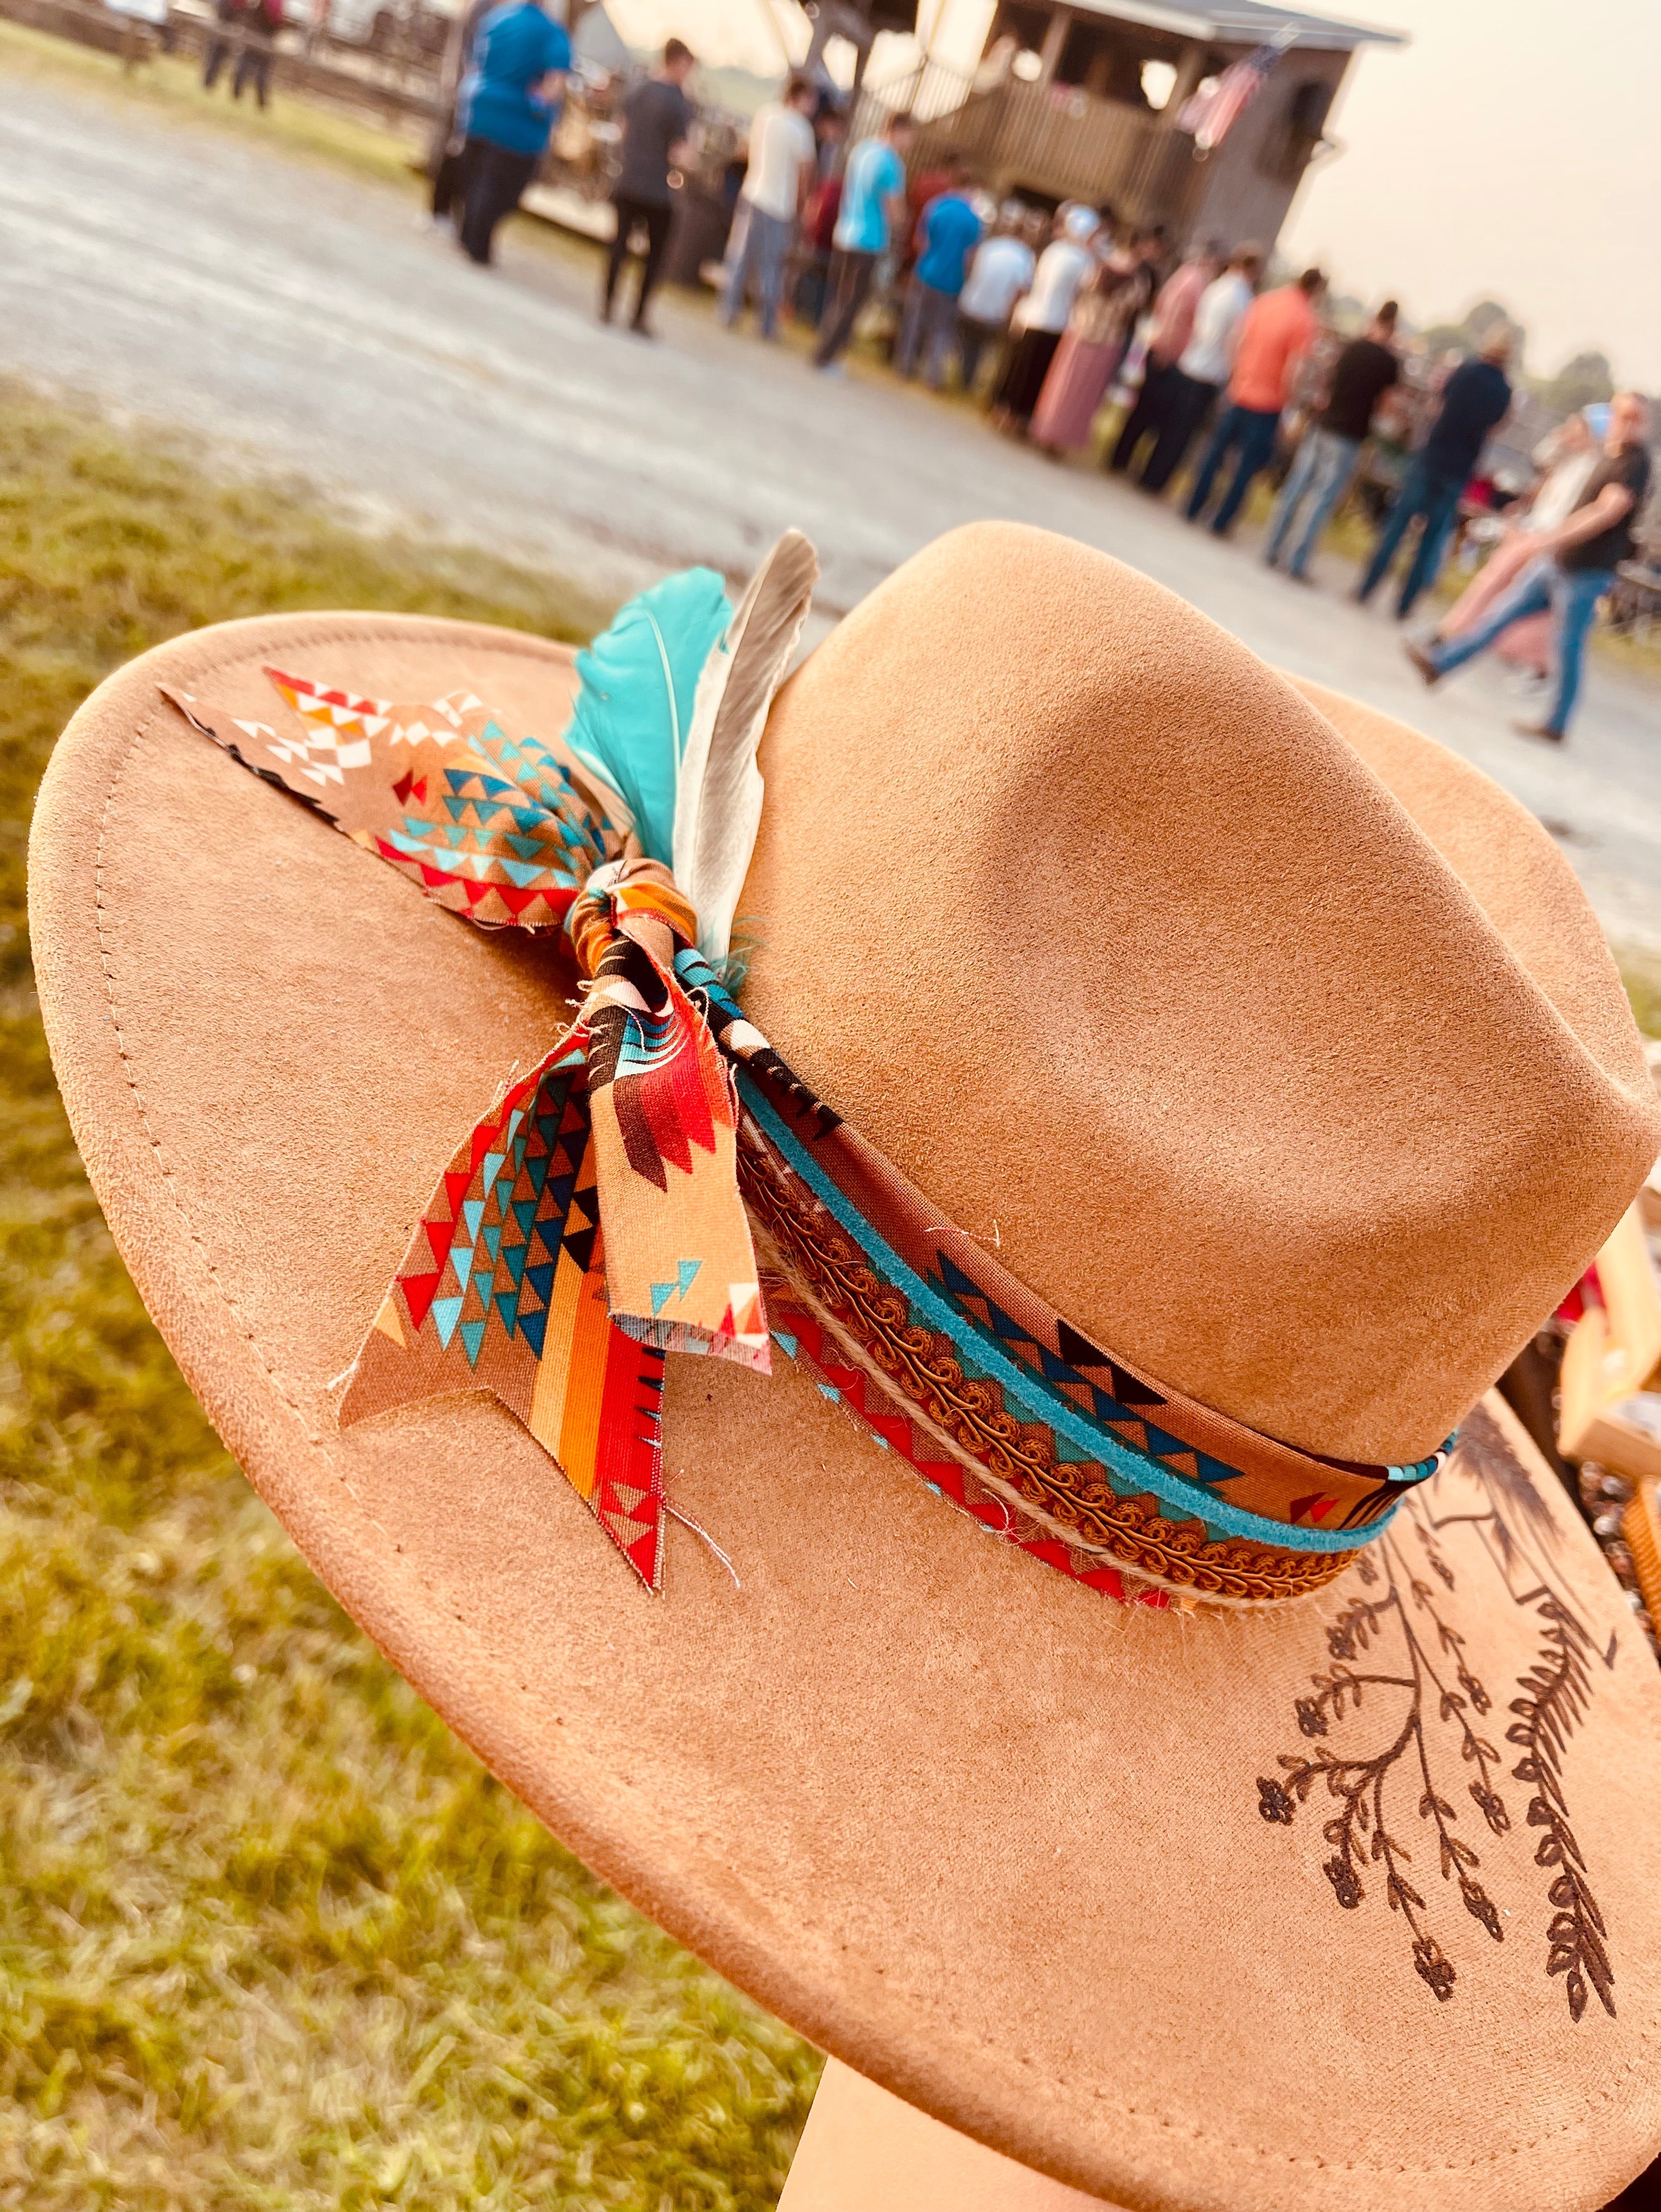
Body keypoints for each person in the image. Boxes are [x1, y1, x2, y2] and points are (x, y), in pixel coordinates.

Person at [1407, 390, 1652, 742]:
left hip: (1586, 572)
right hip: (1558, 563)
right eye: (1621, 415)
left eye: (1634, 418)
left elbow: (1607, 511)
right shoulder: (1611, 455)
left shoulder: (1635, 463)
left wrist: (1552, 537)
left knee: (1567, 649)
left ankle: (1557, 723)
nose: (1626, 423)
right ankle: (1441, 663)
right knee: (1500, 615)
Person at [1356, 325, 1513, 618]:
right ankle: (1404, 606)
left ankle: (1367, 588)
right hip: (1460, 467)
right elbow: (1495, 428)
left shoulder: (1464, 371)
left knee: (1397, 526)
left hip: (1433, 455)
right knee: (1429, 541)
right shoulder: (1504, 391)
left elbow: (1438, 405)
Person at [1430, 410, 1601, 675]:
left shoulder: (1592, 468)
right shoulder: (1569, 461)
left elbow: (1569, 509)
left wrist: (1547, 537)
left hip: (1546, 537)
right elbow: (1541, 466)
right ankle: (1453, 634)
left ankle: (1458, 640)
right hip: (1535, 531)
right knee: (1500, 591)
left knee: (1511, 598)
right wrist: (1558, 441)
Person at [1264, 299, 1400, 581]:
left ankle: (1272, 547)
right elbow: (1387, 406)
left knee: (1296, 487)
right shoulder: (1388, 363)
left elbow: (1327, 384)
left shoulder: (1351, 347)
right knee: (1321, 499)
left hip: (1321, 425)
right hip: (1348, 436)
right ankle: (1296, 562)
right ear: (1393, 326)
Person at [1185, 265, 1323, 536]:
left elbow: (1238, 338)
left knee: (1215, 453)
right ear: (1317, 290)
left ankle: (1193, 506)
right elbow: (1293, 370)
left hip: (1240, 389)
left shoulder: (1265, 300)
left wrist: (1235, 372)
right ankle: (1221, 521)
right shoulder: (1305, 319)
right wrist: (1290, 405)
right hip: (1269, 402)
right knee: (1246, 467)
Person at [453, 0, 571, 268]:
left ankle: (472, 234)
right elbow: (556, 82)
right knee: (505, 190)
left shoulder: (497, 19)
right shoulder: (552, 32)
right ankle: (477, 240)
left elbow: (476, 59)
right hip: (519, 125)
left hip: (479, 110)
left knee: (478, 180)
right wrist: (541, 105)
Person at [1135, 242, 1260, 494]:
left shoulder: (1215, 287)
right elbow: (1234, 341)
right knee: (1181, 435)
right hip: (1209, 372)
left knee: (1169, 428)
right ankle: (1157, 482)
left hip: (1190, 362)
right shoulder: (1242, 298)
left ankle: (1149, 475)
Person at [1028, 225, 1162, 458]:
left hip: (1082, 331)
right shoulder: (1138, 280)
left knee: (1064, 385)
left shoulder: (1099, 266)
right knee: (1085, 394)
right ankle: (1065, 440)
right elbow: (1134, 310)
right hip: (1108, 338)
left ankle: (1047, 429)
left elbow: (1080, 293)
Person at [603, 38, 698, 335]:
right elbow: (680, 153)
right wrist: (693, 164)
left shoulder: (638, 88)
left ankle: (607, 306)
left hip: (628, 180)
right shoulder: (679, 102)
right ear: (680, 63)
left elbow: (621, 128)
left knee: (619, 247)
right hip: (658, 191)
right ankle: (638, 315)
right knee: (654, 257)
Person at [811, 108, 916, 371]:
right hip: (869, 240)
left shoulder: (862, 150)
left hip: (845, 231)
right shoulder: (892, 163)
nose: (910, 144)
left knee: (838, 298)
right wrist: (903, 224)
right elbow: (895, 211)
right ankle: (827, 357)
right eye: (910, 136)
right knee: (852, 302)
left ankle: (823, 350)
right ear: (899, 131)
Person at [1107, 240, 1220, 480]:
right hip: (1166, 353)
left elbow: (1161, 307)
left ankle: (1120, 458)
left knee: (1142, 411)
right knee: (1148, 412)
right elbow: (1176, 317)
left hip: (1160, 347)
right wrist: (1168, 351)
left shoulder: (1182, 276)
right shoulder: (1195, 282)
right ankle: (1122, 460)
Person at [986, 205, 1100, 434]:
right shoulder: (1083, 260)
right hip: (1056, 323)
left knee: (1017, 370)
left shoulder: (1054, 250)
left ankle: (1001, 411)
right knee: (1035, 377)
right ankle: (1019, 419)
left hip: (1033, 316)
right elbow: (1084, 292)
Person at [720, 75, 816, 341]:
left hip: (753, 193)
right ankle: (766, 325)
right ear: (800, 98)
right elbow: (804, 173)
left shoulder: (765, 115)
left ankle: (728, 310)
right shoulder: (801, 129)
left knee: (739, 257)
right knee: (771, 266)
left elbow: (750, 150)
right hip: (780, 205)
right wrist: (804, 205)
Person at [895, 163, 984, 388]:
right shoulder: (973, 220)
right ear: (971, 189)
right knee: (942, 329)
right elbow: (970, 257)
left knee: (914, 321)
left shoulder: (936, 207)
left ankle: (904, 365)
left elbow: (920, 241)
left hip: (926, 271)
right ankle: (933, 375)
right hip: (952, 280)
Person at [428, 0, 501, 228]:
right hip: (468, 91)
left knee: (465, 153)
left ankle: (454, 213)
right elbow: (470, 53)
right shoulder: (485, 8)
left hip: (472, 91)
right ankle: (441, 211)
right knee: (456, 151)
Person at [953, 204, 1036, 396]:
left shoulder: (990, 246)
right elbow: (1021, 291)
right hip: (995, 313)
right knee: (982, 348)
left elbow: (971, 267)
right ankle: (969, 378)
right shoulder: (1024, 257)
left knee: (969, 343)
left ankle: (965, 373)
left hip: (972, 304)